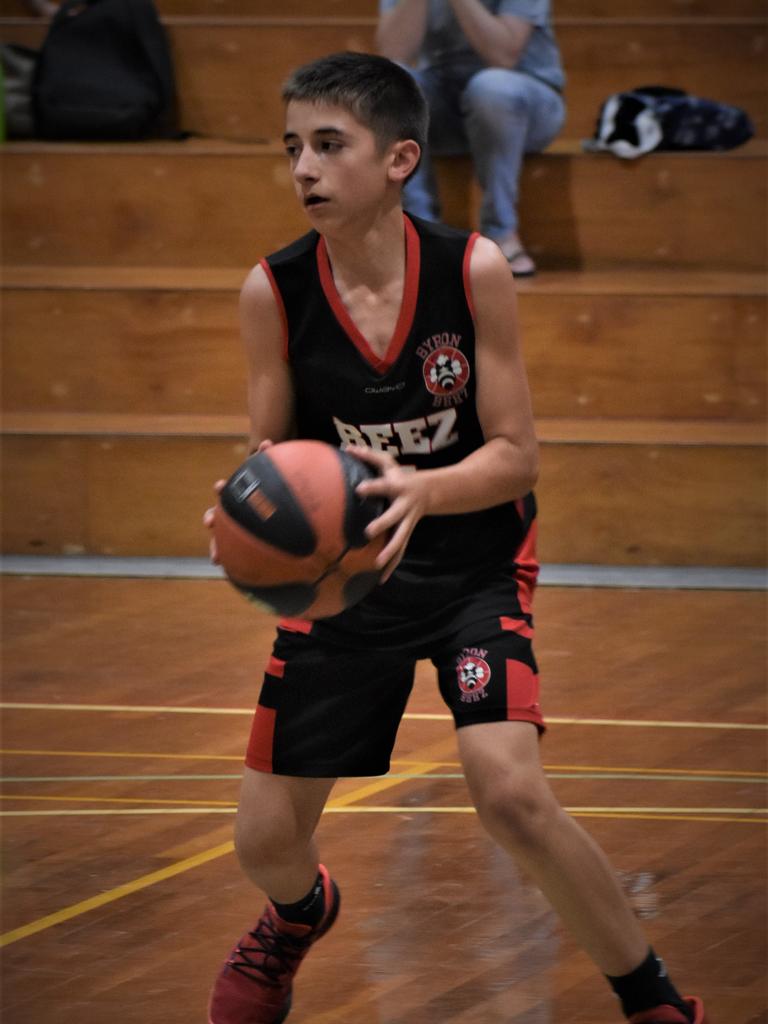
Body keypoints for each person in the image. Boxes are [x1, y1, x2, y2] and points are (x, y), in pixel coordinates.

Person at [205, 51, 708, 1024]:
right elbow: (270, 451)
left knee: (509, 793)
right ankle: (299, 915)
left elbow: (518, 455)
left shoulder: (469, 269)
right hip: (347, 581)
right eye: (292, 148)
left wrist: (423, 490)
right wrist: (244, 507)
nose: (304, 168)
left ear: (399, 159)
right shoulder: (272, 290)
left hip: (471, 562)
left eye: (328, 145)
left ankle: (653, 1001)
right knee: (263, 842)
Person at [376, 0, 565, 278]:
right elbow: (394, 53)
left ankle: (501, 233)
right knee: (390, 83)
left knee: (491, 88)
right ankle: (421, 233)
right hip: (446, 99)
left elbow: (503, 55)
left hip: (525, 100)